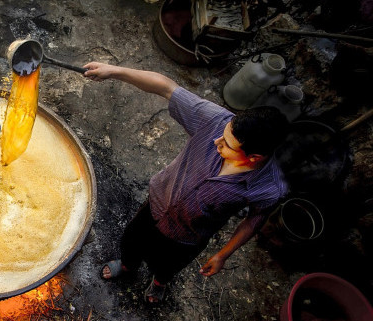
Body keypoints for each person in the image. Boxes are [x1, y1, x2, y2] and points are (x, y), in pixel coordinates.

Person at [82, 62, 289, 303]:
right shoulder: (215, 120)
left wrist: (223, 255)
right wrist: (115, 71)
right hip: (155, 206)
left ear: (254, 158)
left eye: (227, 144)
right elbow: (167, 88)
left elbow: (253, 221)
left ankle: (159, 283)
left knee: (168, 266)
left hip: (187, 237)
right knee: (131, 240)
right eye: (223, 133)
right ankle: (127, 266)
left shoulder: (269, 188)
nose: (216, 142)